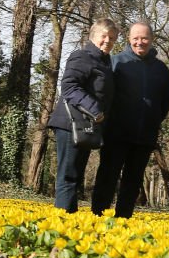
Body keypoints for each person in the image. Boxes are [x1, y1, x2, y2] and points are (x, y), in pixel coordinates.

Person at [91, 20, 169, 218]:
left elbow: (165, 101)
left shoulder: (161, 69)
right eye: (135, 38)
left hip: (144, 137)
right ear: (129, 39)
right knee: (107, 178)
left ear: (152, 39)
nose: (140, 42)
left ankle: (123, 222)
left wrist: (152, 120)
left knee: (133, 182)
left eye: (144, 38)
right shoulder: (117, 62)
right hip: (116, 134)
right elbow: (103, 94)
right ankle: (96, 218)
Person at [48, 18, 119, 212]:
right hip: (70, 125)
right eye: (104, 36)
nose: (108, 41)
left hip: (85, 127)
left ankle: (70, 224)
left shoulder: (105, 63)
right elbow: (69, 87)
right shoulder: (82, 56)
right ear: (93, 36)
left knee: (75, 177)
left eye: (112, 38)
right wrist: (95, 110)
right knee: (68, 177)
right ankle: (62, 226)